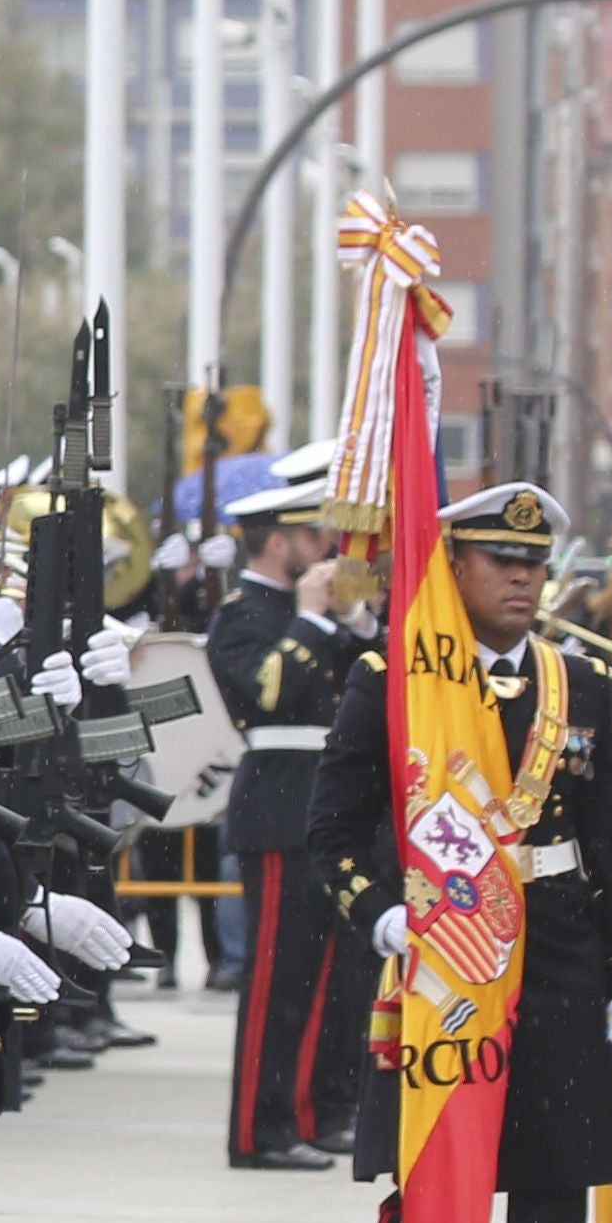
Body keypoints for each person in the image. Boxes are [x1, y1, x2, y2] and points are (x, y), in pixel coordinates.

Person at [309, 481, 612, 1223]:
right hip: (446, 966)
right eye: (500, 559)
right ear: (452, 567)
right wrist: (382, 912)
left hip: (559, 958)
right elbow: (332, 829)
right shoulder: (395, 679)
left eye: (534, 563)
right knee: (433, 1188)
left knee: (555, 1196)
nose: (520, 577)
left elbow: (610, 840)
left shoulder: (577, 684)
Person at [204, 448, 367, 1171]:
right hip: (278, 807)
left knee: (334, 978)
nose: (327, 551)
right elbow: (268, 691)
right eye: (313, 538)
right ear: (279, 542)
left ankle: (316, 1110)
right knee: (277, 981)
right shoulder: (244, 616)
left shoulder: (317, 617)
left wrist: (354, 626)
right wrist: (311, 621)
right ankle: (259, 1130)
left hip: (330, 806)